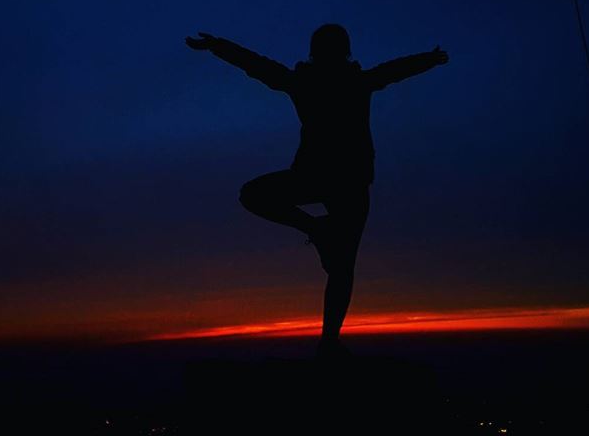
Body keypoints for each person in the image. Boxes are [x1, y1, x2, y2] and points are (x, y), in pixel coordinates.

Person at [185, 23, 449, 360]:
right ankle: (318, 235)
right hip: (338, 180)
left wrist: (220, 46)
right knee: (336, 262)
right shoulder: (346, 82)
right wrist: (428, 58)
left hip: (337, 180)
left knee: (337, 263)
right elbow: (392, 71)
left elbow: (261, 67)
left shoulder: (321, 82)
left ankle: (328, 338)